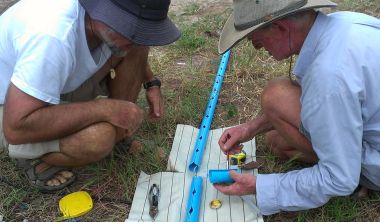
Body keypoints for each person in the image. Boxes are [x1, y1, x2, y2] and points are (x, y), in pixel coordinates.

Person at [214, 0, 380, 215]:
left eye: (256, 40)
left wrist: (259, 187)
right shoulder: (346, 22)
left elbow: (340, 179)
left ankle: (364, 177)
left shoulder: (329, 77)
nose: (257, 48)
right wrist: (250, 128)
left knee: (276, 98)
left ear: (281, 28)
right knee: (278, 140)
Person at [0, 0, 180, 192]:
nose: (138, 37)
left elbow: (135, 43)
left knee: (135, 47)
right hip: (12, 108)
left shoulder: (94, 20)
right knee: (98, 138)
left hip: (50, 84)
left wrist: (151, 82)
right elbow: (16, 127)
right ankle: (33, 157)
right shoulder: (52, 36)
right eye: (130, 28)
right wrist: (105, 109)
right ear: (103, 12)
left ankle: (119, 136)